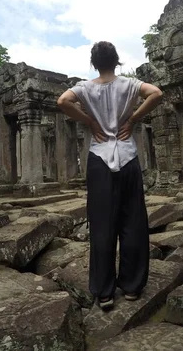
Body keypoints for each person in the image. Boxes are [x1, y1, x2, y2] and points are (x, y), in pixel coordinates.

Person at [57, 41, 163, 310]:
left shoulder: (85, 87)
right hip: (127, 156)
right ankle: (131, 286)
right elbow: (156, 93)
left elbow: (63, 101)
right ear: (117, 61)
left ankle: (104, 292)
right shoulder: (129, 84)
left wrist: (90, 122)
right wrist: (133, 118)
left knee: (102, 223)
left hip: (98, 157)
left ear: (94, 63)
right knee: (133, 221)